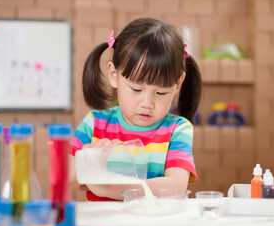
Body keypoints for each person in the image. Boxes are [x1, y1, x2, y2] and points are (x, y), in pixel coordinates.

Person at [69, 18, 202, 201]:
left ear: (178, 84)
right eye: (137, 89)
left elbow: (176, 186)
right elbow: (59, 172)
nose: (147, 103)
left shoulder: (177, 129)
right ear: (114, 76)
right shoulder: (95, 123)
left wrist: (108, 189)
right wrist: (88, 159)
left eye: (161, 93)